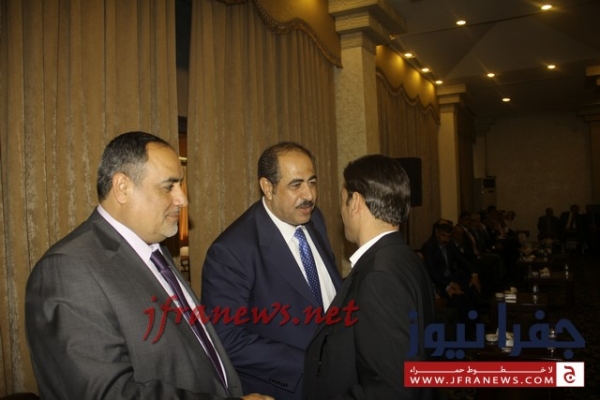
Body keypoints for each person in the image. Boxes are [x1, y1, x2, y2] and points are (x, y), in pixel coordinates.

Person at [25, 131, 272, 400]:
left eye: (180, 185)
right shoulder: (67, 270)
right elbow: (106, 393)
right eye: (169, 186)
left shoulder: (155, 249)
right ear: (122, 188)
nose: (183, 200)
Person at [201, 142, 343, 400]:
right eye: (296, 185)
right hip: (289, 388)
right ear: (267, 187)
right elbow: (226, 338)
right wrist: (314, 363)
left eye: (312, 182)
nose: (309, 195)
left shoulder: (315, 219)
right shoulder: (232, 251)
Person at [303, 154, 437, 399]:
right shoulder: (404, 256)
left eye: (342, 200)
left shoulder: (378, 277)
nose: (341, 212)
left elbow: (390, 390)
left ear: (355, 202)